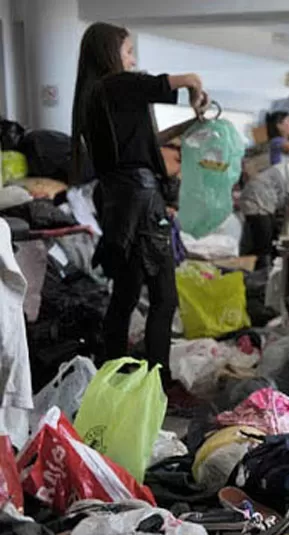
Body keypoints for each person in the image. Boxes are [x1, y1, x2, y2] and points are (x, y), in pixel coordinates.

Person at [71, 22, 209, 380]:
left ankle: (113, 380)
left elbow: (143, 141)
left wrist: (186, 124)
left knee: (126, 295)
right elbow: (174, 81)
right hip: (142, 203)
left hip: (120, 203)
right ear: (109, 52)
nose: (132, 60)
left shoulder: (96, 96)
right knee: (163, 299)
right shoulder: (114, 84)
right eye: (128, 51)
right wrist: (194, 85)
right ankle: (157, 387)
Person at [238, 161, 289, 269]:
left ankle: (253, 277)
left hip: (253, 191)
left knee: (257, 245)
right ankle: (262, 280)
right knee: (264, 249)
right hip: (261, 198)